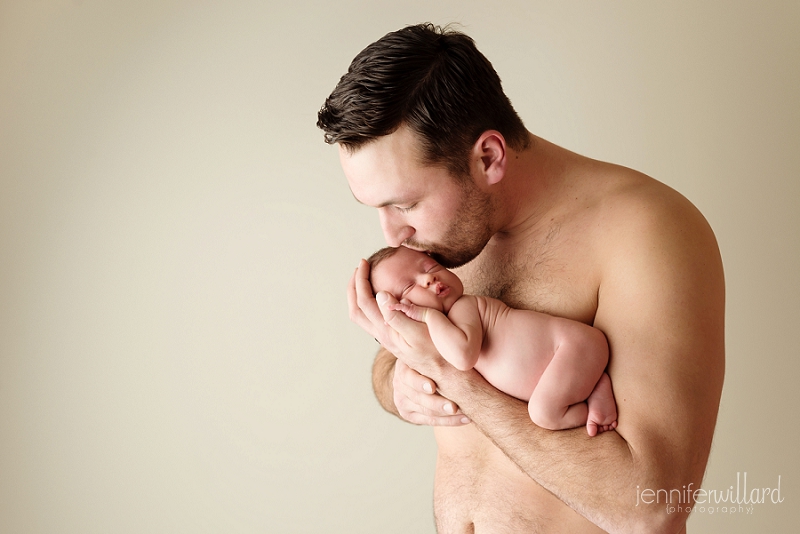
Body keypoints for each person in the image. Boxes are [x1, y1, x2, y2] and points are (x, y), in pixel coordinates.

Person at [318, 23, 725, 534]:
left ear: (488, 157)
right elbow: (401, 360)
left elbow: (651, 506)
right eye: (377, 208)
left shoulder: (643, 231)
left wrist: (449, 376)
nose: (394, 233)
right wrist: (397, 384)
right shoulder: (443, 244)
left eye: (405, 203)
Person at [368, 245, 618, 437]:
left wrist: (427, 315)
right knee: (545, 409)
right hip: (570, 355)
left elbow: (463, 357)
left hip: (571, 347)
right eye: (409, 287)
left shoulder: (463, 307)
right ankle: (593, 386)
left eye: (429, 267)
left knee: (544, 414)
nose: (428, 279)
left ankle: (591, 409)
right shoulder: (444, 330)